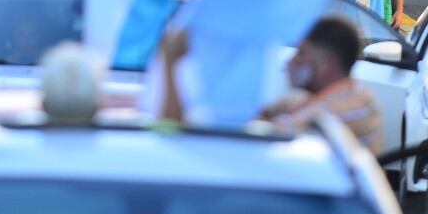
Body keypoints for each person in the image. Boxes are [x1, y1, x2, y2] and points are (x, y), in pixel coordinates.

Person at [158, 17, 383, 154]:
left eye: (302, 53)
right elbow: (272, 109)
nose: (290, 61)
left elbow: (235, 140)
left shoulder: (325, 118)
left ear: (325, 66)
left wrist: (171, 61)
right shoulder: (354, 95)